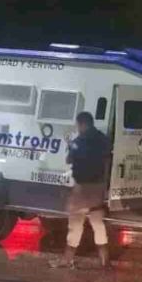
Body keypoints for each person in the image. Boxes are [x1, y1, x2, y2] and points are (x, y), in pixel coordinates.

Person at [50, 111, 111, 269]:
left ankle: (67, 260)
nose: (78, 128)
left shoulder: (79, 141)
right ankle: (105, 262)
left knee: (75, 224)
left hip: (82, 189)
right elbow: (107, 160)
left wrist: (71, 145)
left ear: (82, 124)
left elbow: (69, 159)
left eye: (78, 125)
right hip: (98, 188)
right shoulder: (103, 139)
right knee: (98, 224)